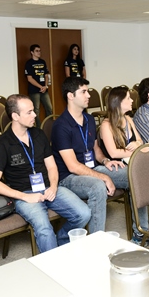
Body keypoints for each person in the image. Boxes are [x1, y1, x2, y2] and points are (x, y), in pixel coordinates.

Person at [0, 94, 90, 253]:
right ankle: (53, 264)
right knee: (44, 228)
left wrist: (53, 187)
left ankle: (61, 242)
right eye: (29, 112)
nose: (35, 115)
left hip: (49, 188)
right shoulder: (4, 143)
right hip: (24, 194)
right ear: (15, 116)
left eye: (33, 111)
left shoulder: (38, 134)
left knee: (84, 213)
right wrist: (25, 197)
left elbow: (52, 167)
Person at [51, 77, 128, 234]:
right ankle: (97, 240)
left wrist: (105, 160)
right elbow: (72, 166)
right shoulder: (61, 126)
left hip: (92, 168)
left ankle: (141, 229)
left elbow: (95, 148)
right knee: (97, 186)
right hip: (69, 177)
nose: (89, 95)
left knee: (132, 174)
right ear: (70, 96)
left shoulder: (89, 119)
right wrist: (104, 177)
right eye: (83, 92)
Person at [99, 86, 149, 246]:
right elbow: (113, 153)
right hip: (114, 167)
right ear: (118, 102)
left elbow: (140, 141)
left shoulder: (129, 119)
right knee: (139, 181)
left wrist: (137, 144)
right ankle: (140, 232)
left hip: (132, 163)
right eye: (128, 98)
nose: (132, 101)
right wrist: (135, 150)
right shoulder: (106, 125)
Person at [25, 44, 53, 126]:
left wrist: (45, 86)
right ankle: (38, 127)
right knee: (36, 110)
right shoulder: (29, 63)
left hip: (44, 89)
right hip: (34, 90)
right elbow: (29, 78)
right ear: (32, 52)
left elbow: (46, 75)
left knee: (49, 107)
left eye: (39, 51)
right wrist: (40, 87)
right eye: (37, 51)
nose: (39, 52)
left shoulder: (42, 62)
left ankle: (48, 125)